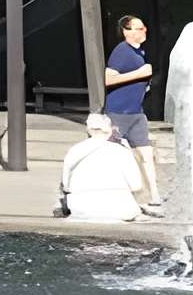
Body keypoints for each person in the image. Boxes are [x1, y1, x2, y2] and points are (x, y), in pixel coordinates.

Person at [103, 16, 166, 216]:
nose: (144, 31)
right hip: (118, 113)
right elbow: (108, 79)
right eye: (139, 28)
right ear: (126, 31)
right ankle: (107, 193)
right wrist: (139, 74)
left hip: (136, 113)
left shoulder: (138, 52)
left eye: (144, 27)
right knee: (110, 156)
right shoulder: (121, 51)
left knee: (147, 155)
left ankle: (154, 195)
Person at [57, 113, 145, 223]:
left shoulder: (74, 150)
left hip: (81, 209)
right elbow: (136, 186)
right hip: (119, 209)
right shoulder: (121, 151)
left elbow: (66, 186)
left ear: (88, 130)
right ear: (109, 131)